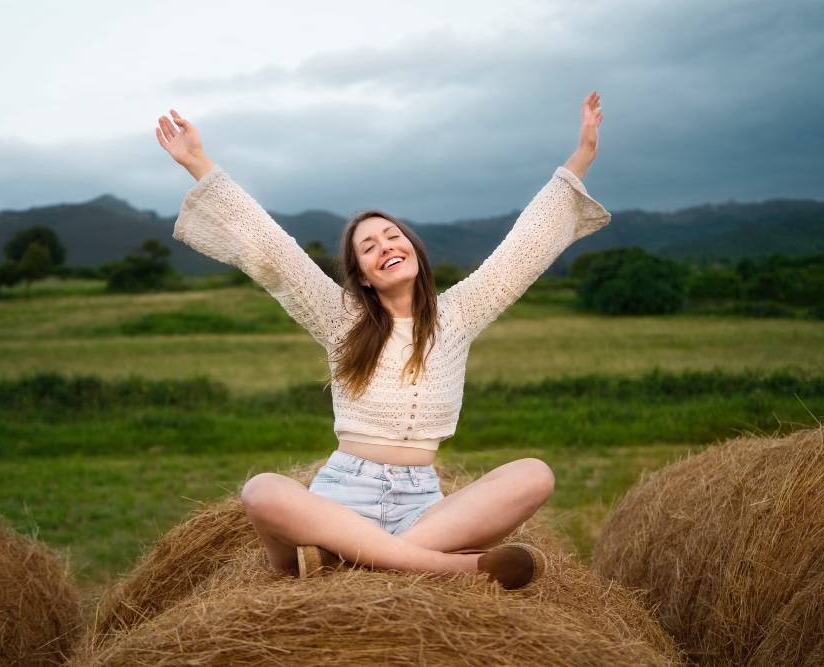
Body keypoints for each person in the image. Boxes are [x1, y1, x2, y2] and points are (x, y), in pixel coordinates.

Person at [155, 91, 610, 589]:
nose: (385, 246)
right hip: (341, 499)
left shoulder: (457, 315)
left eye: (392, 236)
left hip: (422, 508)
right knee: (263, 490)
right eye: (368, 247)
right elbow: (271, 251)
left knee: (534, 475)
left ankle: (345, 561)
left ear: (412, 249)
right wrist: (198, 161)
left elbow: (525, 249)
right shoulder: (340, 317)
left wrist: (582, 157)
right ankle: (452, 568)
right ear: (364, 277)